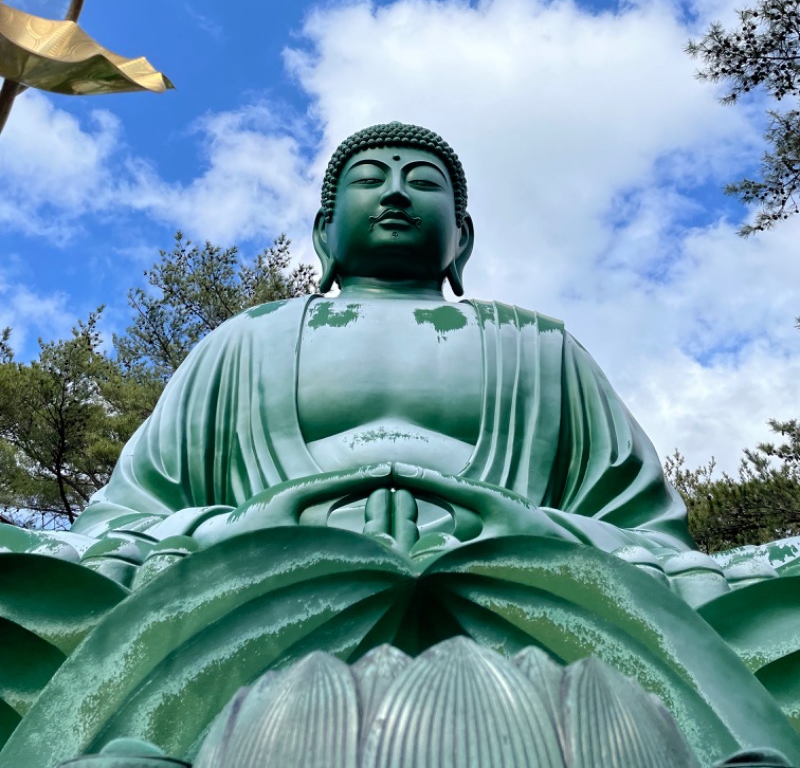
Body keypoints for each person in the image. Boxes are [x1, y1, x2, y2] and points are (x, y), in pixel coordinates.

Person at [72, 122, 693, 559]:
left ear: (462, 239)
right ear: (324, 234)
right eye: (370, 179)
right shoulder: (244, 342)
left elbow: (649, 535)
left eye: (423, 182)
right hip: (263, 581)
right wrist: (240, 529)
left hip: (519, 586)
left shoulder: (538, 345)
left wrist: (533, 535)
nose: (395, 192)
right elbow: (123, 521)